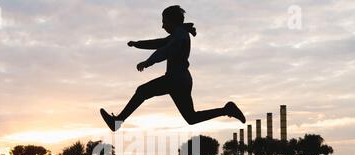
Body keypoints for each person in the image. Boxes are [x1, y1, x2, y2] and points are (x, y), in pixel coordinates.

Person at [100, 5, 246, 132]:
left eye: (164, 22)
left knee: (142, 91)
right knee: (191, 117)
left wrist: (148, 62)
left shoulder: (180, 35)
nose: (162, 26)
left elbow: (167, 50)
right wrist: (137, 44)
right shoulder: (178, 34)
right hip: (182, 80)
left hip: (175, 79)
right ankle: (227, 110)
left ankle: (117, 122)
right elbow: (159, 43)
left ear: (172, 21)